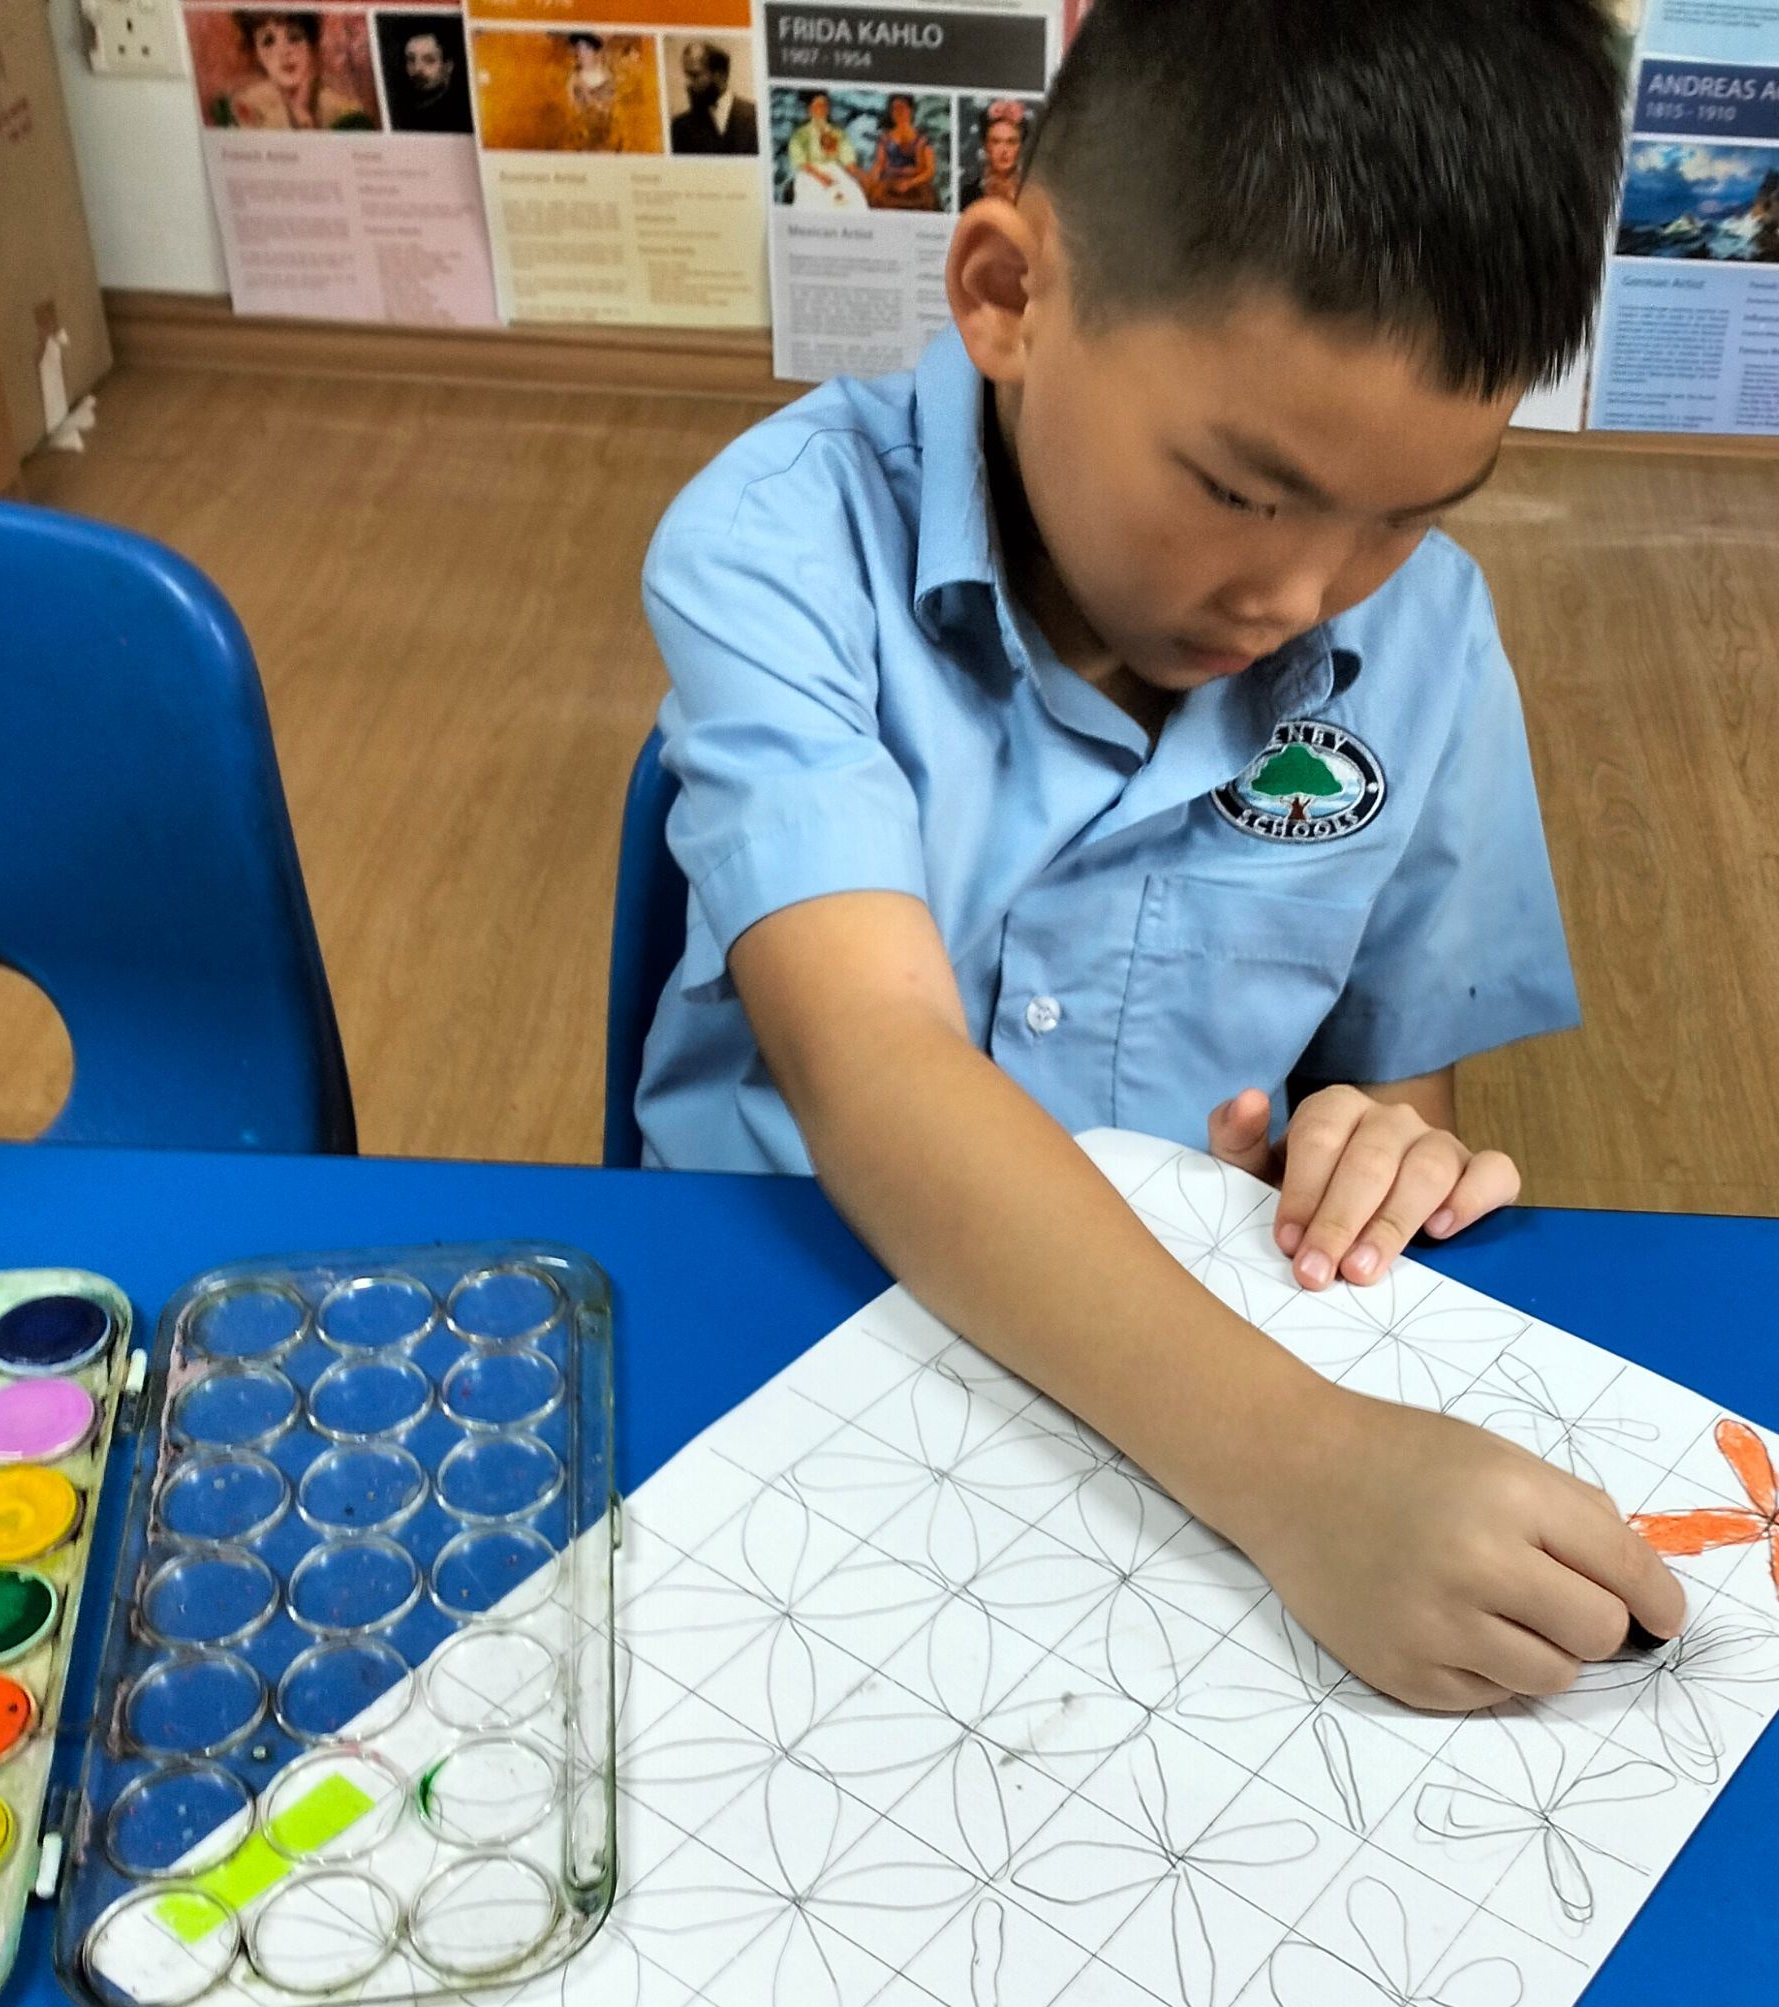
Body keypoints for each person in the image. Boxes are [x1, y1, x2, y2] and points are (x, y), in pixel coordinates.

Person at [636, 0, 1685, 1712]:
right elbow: (876, 1065)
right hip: (790, 1313)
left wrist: (1373, 1149)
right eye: (1246, 493)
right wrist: (1305, 1471)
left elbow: (1392, 1080)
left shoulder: (1426, 637)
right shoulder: (782, 546)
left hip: (1194, 1373)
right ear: (1009, 295)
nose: (1302, 596)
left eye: (1411, 511)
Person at [215, 8, 374, 130]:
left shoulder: (345, 114)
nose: (284, 52)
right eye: (268, 41)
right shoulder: (243, 109)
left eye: (294, 37)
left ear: (310, 45)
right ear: (256, 54)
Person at [671, 40, 756, 156]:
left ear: (719, 75)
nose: (688, 83)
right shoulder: (679, 128)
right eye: (687, 75)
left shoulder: (756, 116)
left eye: (695, 75)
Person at [786, 89, 866, 209]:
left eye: (824, 105)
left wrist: (862, 175)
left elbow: (848, 159)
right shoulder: (801, 134)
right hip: (811, 172)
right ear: (810, 109)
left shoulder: (837, 133)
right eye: (818, 105)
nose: (822, 109)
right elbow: (800, 161)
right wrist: (821, 177)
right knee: (818, 200)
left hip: (835, 169)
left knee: (853, 195)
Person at [386, 20, 469, 135]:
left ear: (448, 66)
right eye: (411, 59)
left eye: (429, 60)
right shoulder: (399, 108)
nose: (417, 68)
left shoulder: (460, 115)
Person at [863, 93, 939, 210]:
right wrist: (869, 182)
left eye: (902, 108)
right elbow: (879, 164)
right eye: (894, 109)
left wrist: (910, 183)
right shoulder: (885, 138)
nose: (898, 112)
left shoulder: (922, 140)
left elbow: (930, 170)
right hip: (890, 184)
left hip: (917, 185)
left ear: (910, 110)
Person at [969, 98, 1029, 206]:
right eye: (996, 141)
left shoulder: (1033, 194)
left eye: (1011, 142)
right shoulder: (969, 193)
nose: (1004, 150)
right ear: (986, 146)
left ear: (1021, 146)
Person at [566, 32, 618, 150]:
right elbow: (571, 110)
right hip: (580, 140)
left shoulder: (608, 78)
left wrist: (585, 91)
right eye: (579, 48)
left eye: (587, 49)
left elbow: (608, 112)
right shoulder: (573, 79)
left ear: (595, 52)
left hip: (605, 140)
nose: (582, 54)